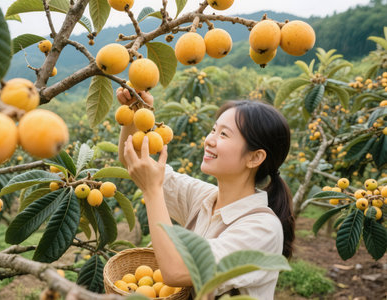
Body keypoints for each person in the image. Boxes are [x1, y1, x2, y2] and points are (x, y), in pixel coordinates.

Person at [116, 87, 295, 300]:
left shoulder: (263, 229)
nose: (209, 140)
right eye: (213, 130)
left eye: (224, 134)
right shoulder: (205, 197)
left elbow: (175, 271)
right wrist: (136, 112)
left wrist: (152, 190)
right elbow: (134, 162)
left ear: (255, 158)